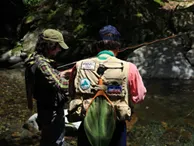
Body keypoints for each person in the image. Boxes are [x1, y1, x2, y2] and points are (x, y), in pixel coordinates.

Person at [67, 25, 146, 146]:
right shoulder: (129, 68)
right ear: (118, 47)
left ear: (97, 46)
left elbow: (72, 93)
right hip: (117, 126)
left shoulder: (79, 66)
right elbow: (139, 97)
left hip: (88, 124)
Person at [24, 29, 71, 146]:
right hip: (52, 111)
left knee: (48, 140)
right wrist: (79, 82)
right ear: (49, 45)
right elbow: (61, 85)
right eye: (58, 46)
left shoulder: (35, 57)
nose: (60, 49)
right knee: (56, 141)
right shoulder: (42, 64)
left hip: (45, 109)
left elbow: (49, 78)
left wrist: (62, 74)